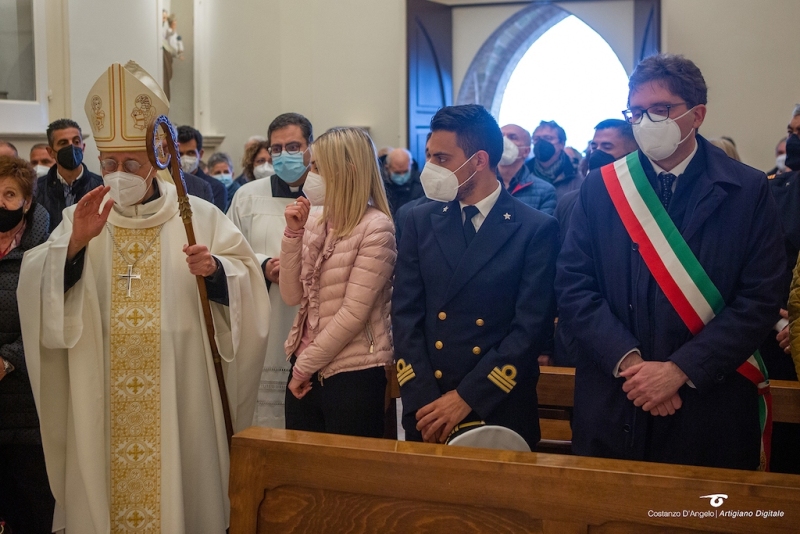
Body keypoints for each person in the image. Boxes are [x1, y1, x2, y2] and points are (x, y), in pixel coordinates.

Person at [18, 61, 269, 533]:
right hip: (102, 387)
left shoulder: (200, 216)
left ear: (156, 160)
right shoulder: (83, 216)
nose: (118, 174)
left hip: (181, 388)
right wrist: (74, 245)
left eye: (130, 164)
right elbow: (36, 281)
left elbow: (247, 281)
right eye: (109, 165)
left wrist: (215, 272)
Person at [556, 54, 785, 471]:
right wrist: (630, 363)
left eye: (660, 110)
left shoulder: (746, 189)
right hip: (616, 392)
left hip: (707, 399)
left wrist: (679, 370)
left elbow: (759, 299)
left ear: (696, 115)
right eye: (636, 111)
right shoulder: (601, 187)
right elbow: (573, 285)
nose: (645, 122)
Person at [393, 104, 559, 449]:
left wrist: (466, 398)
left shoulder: (535, 228)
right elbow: (405, 316)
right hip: (428, 408)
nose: (430, 169)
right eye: (428, 157)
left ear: (479, 160)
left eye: (442, 158)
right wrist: (424, 399)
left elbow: (529, 330)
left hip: (496, 405)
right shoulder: (418, 220)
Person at [280, 127, 396, 438]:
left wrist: (304, 366)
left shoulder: (376, 227)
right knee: (302, 473)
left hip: (352, 372)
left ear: (347, 171)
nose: (310, 174)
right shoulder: (316, 221)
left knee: (346, 477)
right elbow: (292, 295)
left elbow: (353, 314)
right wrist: (293, 234)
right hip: (304, 364)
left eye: (317, 167)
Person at [227, 113, 314, 428]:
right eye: (276, 149)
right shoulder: (247, 197)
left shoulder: (328, 196)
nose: (283, 155)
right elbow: (227, 254)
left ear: (310, 148)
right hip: (265, 318)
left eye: (293, 146)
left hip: (313, 322)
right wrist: (263, 265)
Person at [0, 156, 54, 534]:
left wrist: (6, 360)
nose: (1, 203)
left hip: (26, 404)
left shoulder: (43, 254)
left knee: (31, 510)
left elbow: (49, 316)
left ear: (27, 202)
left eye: (9, 194)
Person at [34, 119, 104, 232]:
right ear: (51, 152)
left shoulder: (102, 186)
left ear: (83, 147)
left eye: (76, 142)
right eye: (63, 143)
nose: (71, 147)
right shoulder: (36, 189)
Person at [496, 124, 556, 215]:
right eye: (500, 136)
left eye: (512, 137)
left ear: (526, 151)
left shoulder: (545, 191)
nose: (504, 141)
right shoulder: (479, 182)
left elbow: (542, 227)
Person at [525, 120, 583, 200]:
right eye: (536, 139)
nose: (541, 142)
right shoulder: (523, 173)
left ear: (561, 144)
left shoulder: (576, 177)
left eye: (548, 138)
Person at [177, 125, 228, 211]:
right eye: (179, 154)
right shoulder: (166, 183)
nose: (184, 158)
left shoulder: (216, 188)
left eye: (190, 153)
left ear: (200, 154)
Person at [382, 147, 424, 222]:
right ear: (387, 167)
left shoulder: (422, 183)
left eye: (405, 171)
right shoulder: (381, 185)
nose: (402, 176)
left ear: (411, 164)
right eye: (397, 172)